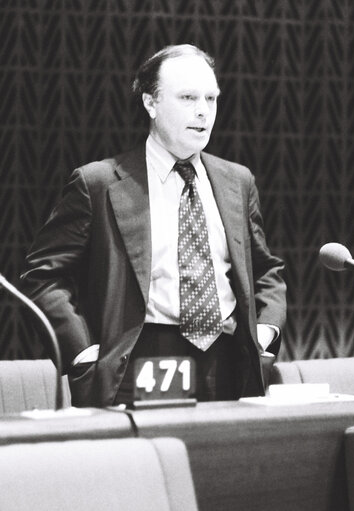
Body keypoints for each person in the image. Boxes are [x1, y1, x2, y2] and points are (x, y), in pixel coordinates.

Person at [20, 44, 287, 407]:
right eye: (188, 97)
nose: (203, 111)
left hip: (230, 362)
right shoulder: (97, 183)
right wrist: (82, 354)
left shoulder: (236, 180)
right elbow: (42, 277)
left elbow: (266, 270)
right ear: (150, 103)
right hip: (140, 360)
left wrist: (266, 330)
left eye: (211, 98)